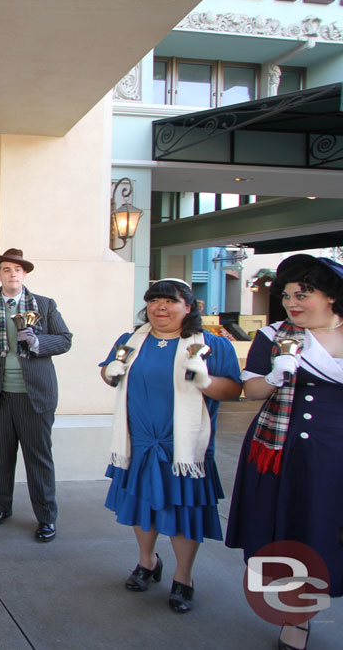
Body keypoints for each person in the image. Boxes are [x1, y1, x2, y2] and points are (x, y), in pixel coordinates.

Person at [100, 278, 241, 614]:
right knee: (142, 506)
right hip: (140, 441)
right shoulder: (131, 341)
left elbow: (233, 391)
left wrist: (205, 380)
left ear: (189, 307)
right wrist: (111, 371)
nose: (160, 307)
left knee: (183, 511)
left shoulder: (212, 345)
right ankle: (147, 562)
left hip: (184, 447)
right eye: (154, 300)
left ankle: (183, 577)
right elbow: (109, 374)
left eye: (170, 301)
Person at [225, 255, 343, 650]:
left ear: (331, 297)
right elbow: (252, 390)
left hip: (336, 453)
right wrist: (276, 373)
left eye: (303, 294)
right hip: (281, 452)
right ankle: (297, 617)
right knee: (292, 529)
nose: (292, 302)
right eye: (288, 294)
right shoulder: (274, 334)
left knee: (329, 529)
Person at [0, 249, 72, 541]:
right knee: (1, 456)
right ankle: (0, 507)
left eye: (17, 270)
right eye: (7, 270)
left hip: (33, 395)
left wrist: (37, 342)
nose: (12, 274)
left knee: (39, 458)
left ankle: (46, 517)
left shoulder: (45, 306)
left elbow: (64, 340)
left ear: (24, 275)